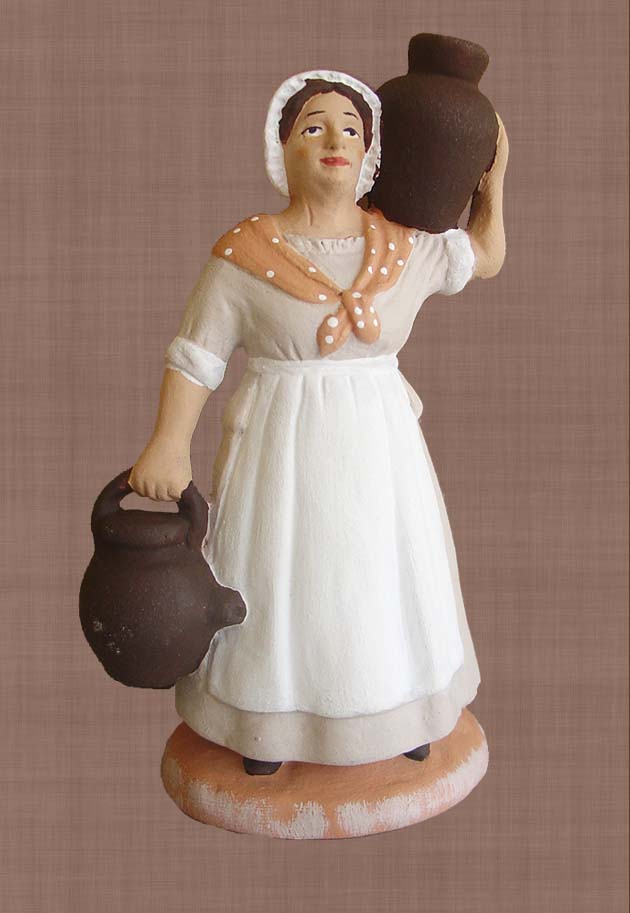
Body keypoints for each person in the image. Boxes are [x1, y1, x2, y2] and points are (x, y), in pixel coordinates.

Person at [129, 69, 508, 775]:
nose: (335, 139)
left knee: (382, 570)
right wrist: (169, 441)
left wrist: (494, 182)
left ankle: (401, 709)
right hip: (282, 443)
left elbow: (483, 256)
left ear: (370, 153)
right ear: (282, 149)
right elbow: (196, 355)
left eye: (351, 129)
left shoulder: (403, 246)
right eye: (313, 126)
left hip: (380, 445)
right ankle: (267, 722)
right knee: (282, 573)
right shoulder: (244, 254)